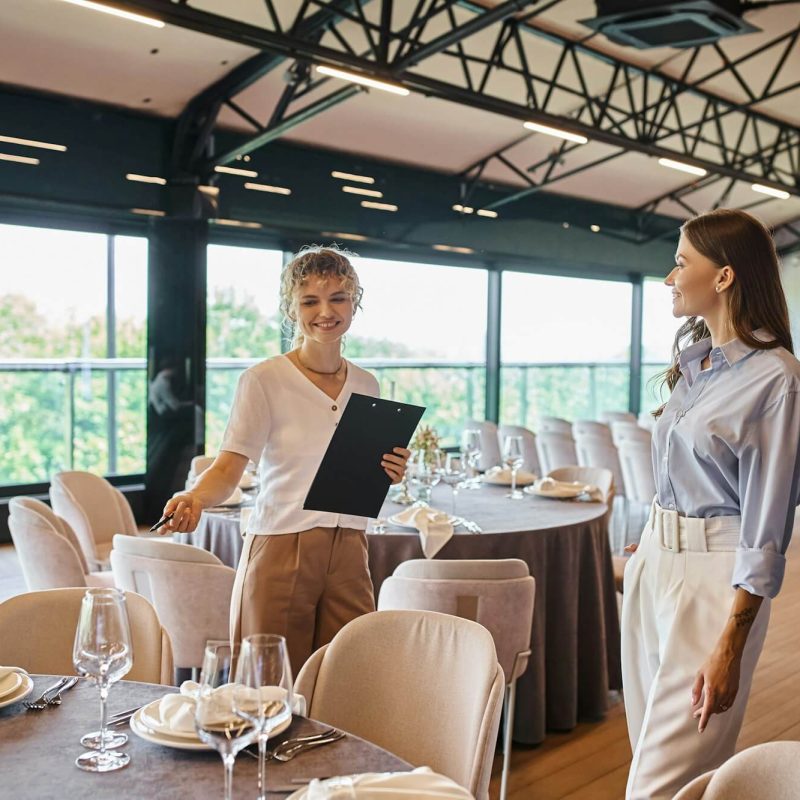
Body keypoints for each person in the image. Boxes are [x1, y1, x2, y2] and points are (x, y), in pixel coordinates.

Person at [159, 245, 410, 673]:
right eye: (309, 301)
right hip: (282, 543)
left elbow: (358, 470)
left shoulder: (367, 384)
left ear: (355, 303)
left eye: (337, 298)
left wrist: (391, 471)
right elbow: (228, 467)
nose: (324, 311)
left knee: (344, 676)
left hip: (351, 546)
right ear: (291, 311)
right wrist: (196, 497)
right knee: (269, 684)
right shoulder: (263, 379)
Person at [621, 208, 800, 799]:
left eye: (680, 263)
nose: (669, 277)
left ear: (723, 277)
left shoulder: (777, 378)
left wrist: (733, 640)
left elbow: (766, 526)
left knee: (660, 786)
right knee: (649, 757)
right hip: (654, 565)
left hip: (714, 585)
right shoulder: (696, 367)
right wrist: (654, 537)